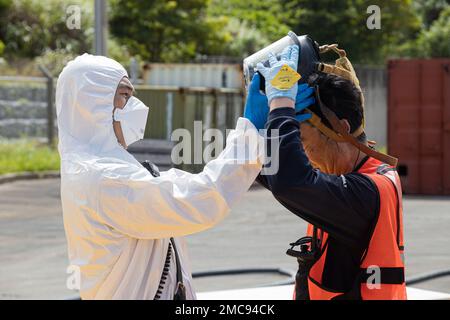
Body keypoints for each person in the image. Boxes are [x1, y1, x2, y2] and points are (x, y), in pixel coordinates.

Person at [56, 53, 265, 300]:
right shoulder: (104, 178)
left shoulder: (92, 168)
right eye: (124, 95)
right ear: (93, 106)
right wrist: (251, 131)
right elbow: (202, 197)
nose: (136, 106)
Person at [245, 44, 406, 300]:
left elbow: (288, 182)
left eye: (303, 143)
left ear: (341, 128)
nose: (302, 154)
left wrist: (282, 103)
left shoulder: (367, 193)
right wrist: (253, 128)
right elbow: (265, 171)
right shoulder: (361, 176)